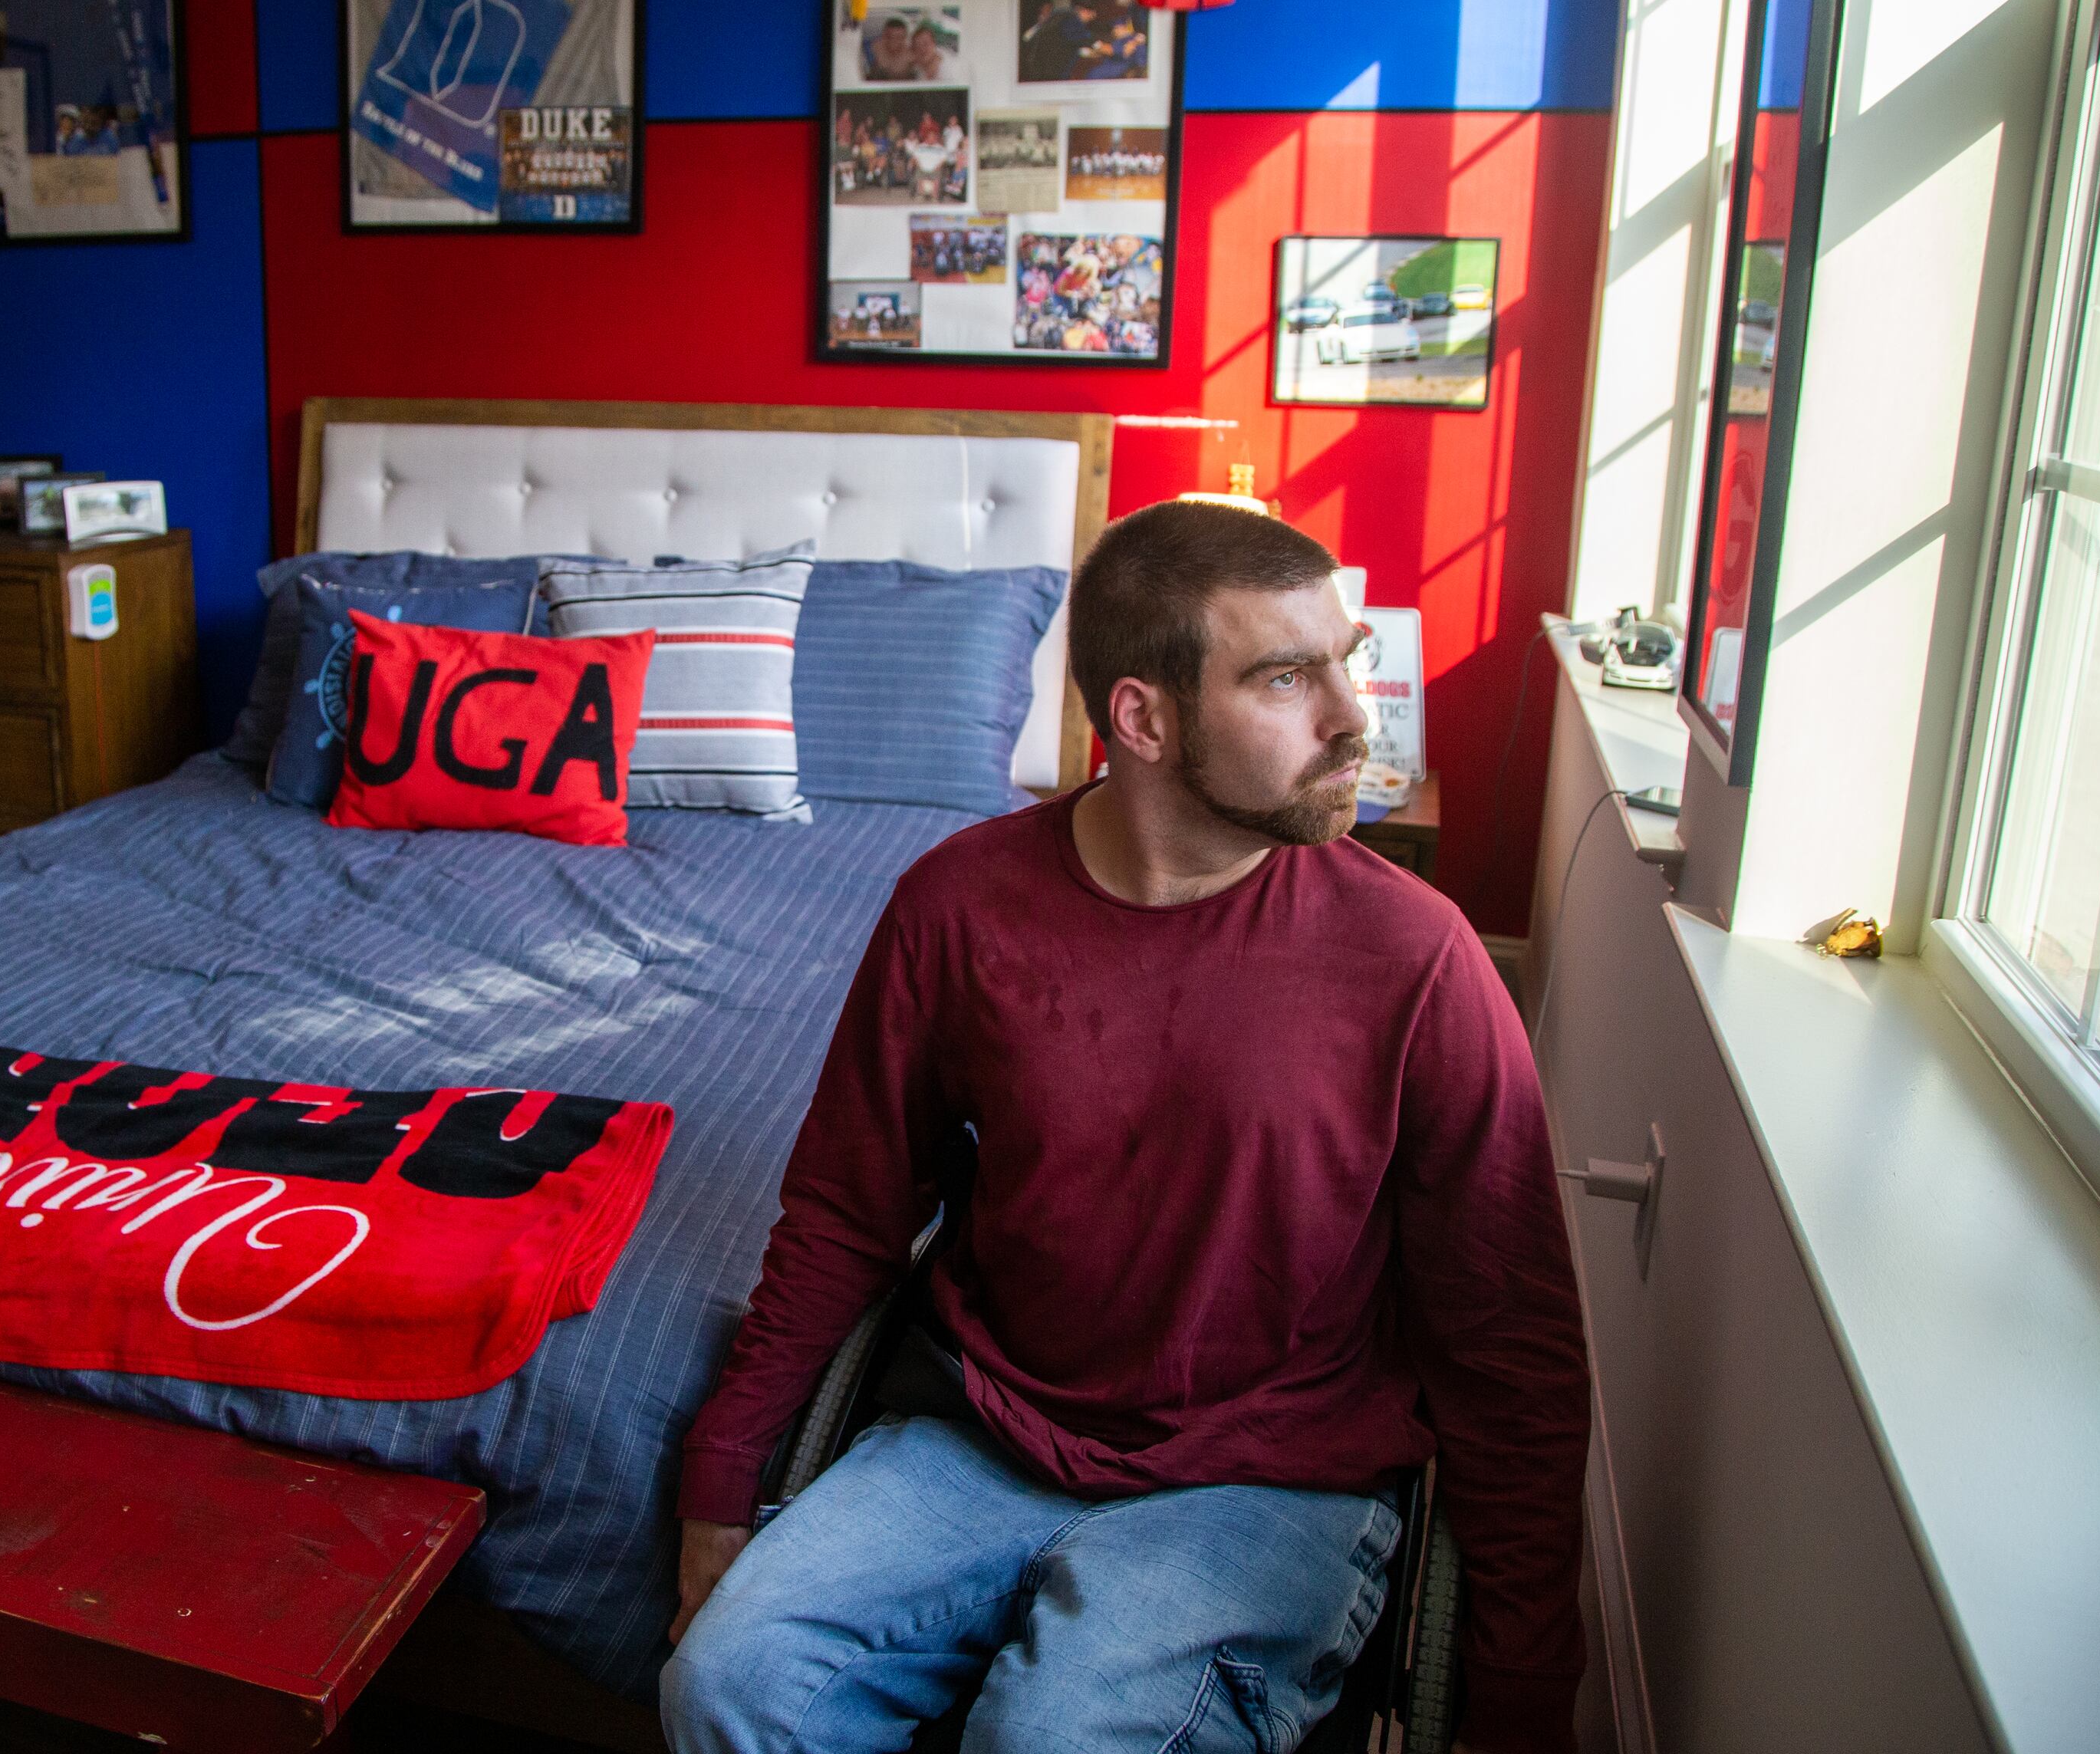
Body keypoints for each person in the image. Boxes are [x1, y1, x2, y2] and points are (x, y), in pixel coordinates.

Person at [662, 501, 1591, 1754]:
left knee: (1050, 1738)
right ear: (1142, 719)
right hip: (982, 1433)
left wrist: (1520, 1696)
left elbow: (1509, 1336)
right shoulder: (961, 908)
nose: (1352, 717)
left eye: (1346, 659)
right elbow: (848, 1208)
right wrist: (723, 1478)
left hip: (1268, 1474)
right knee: (726, 1682)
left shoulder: (1418, 961)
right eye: (1284, 677)